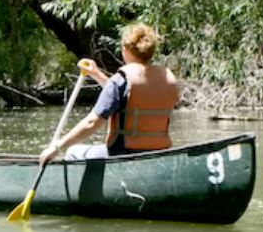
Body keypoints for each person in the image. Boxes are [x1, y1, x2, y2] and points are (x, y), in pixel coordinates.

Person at [38, 23, 179, 165]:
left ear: (125, 49)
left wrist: (57, 147)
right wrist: (96, 74)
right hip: (158, 152)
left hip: (123, 153)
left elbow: (92, 123)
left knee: (72, 152)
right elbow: (128, 98)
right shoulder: (166, 78)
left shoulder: (121, 80)